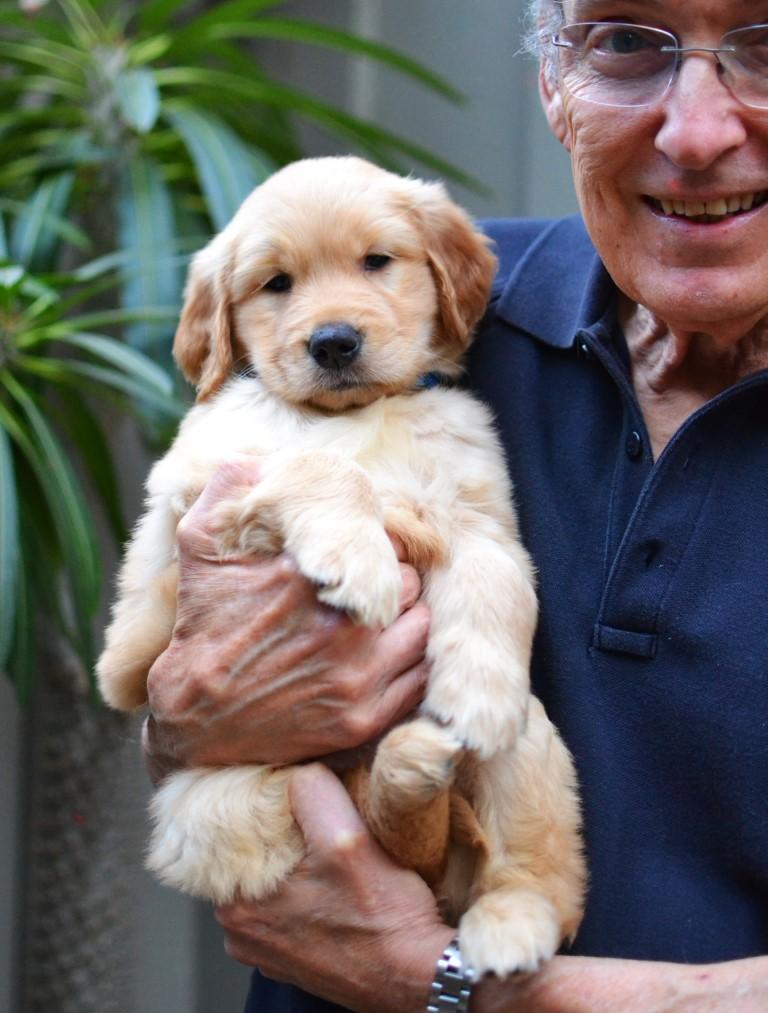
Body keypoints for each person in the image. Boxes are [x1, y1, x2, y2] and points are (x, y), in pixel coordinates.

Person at [143, 0, 768, 1009]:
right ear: (553, 88)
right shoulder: (421, 306)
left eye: (767, 43)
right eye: (621, 41)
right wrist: (191, 713)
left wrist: (440, 983)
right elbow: (184, 673)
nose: (697, 131)